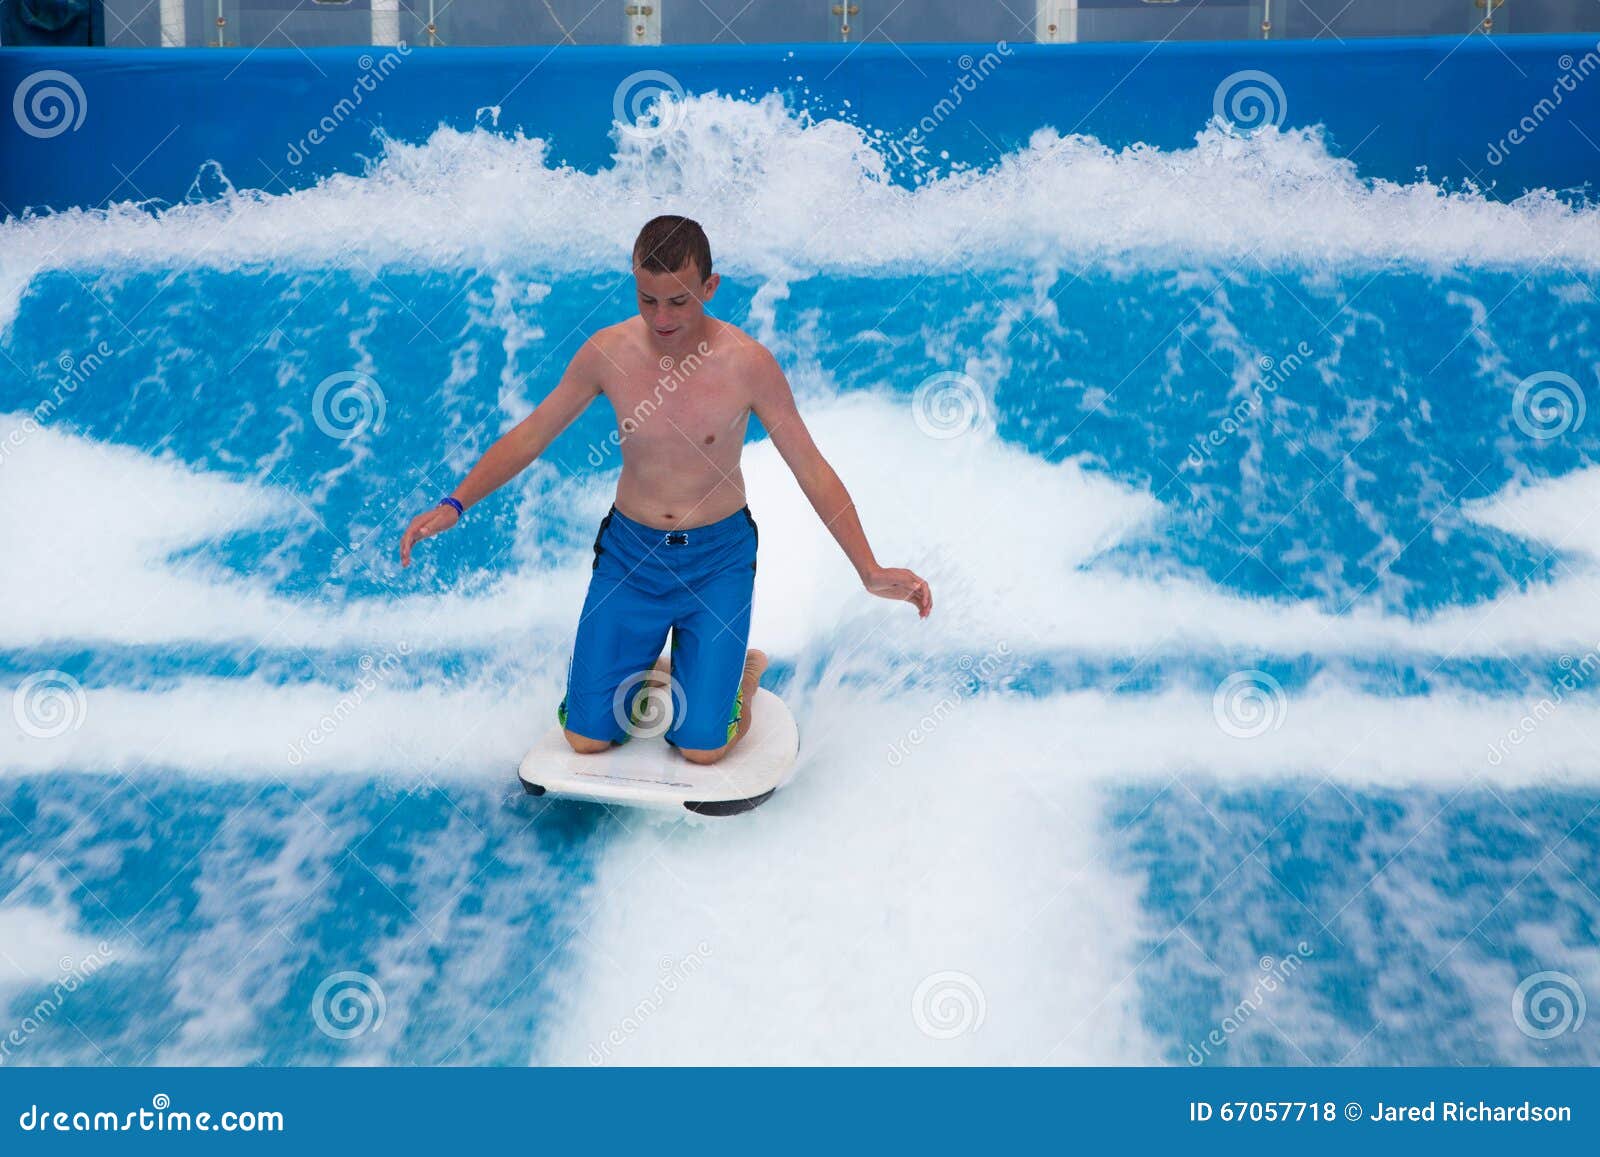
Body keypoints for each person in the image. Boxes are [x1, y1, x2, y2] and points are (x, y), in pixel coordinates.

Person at [400, 215, 931, 764]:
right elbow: (533, 433)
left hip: (717, 562)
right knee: (586, 739)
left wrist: (868, 568)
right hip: (630, 557)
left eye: (678, 301)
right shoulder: (608, 352)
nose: (661, 318)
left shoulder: (748, 364)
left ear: (709, 287)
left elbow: (811, 468)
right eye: (647, 300)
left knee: (702, 748)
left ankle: (741, 675)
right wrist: (455, 503)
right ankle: (663, 663)